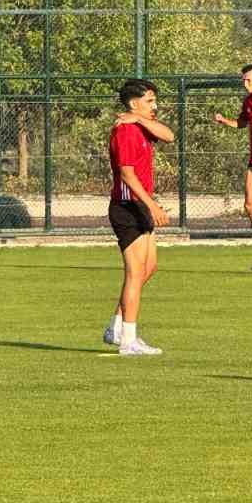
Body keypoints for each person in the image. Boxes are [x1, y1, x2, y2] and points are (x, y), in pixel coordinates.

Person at [103, 80, 174, 356]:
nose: (154, 106)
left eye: (155, 100)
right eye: (149, 101)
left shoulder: (141, 126)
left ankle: (116, 326)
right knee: (134, 274)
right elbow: (127, 174)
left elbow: (169, 135)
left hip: (139, 207)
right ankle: (128, 340)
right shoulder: (126, 132)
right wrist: (152, 205)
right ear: (134, 103)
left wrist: (140, 118)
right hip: (127, 207)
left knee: (149, 268)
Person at [213, 64, 252, 270]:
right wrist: (223, 121)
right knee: (249, 206)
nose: (244, 83)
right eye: (243, 80)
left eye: (248, 79)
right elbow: (241, 123)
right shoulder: (248, 102)